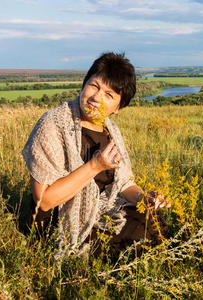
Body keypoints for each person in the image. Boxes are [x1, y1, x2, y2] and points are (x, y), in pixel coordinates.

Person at [22, 52, 170, 258]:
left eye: (109, 95)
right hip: (58, 221)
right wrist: (95, 166)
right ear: (84, 84)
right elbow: (44, 201)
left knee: (153, 221)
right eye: (95, 86)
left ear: (118, 107)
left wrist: (146, 199)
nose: (96, 98)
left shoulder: (111, 132)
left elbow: (125, 184)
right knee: (135, 240)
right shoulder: (53, 124)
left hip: (97, 211)